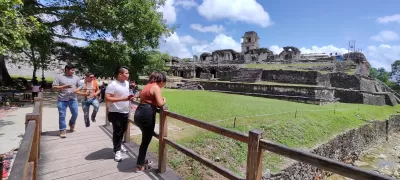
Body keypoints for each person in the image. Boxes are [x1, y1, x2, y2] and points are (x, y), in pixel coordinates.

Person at [134, 72, 167, 171]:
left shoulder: (147, 86)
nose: (163, 86)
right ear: (161, 81)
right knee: (145, 142)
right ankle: (139, 165)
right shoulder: (156, 87)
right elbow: (160, 103)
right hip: (146, 114)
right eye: (164, 83)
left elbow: (149, 100)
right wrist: (164, 100)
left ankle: (142, 160)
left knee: (146, 135)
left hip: (138, 113)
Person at [105, 66, 135, 162]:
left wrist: (130, 98)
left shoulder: (127, 83)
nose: (128, 75)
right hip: (115, 112)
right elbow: (107, 98)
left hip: (125, 111)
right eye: (126, 73)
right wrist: (123, 99)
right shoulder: (112, 85)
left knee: (123, 130)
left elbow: (124, 95)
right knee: (117, 132)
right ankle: (116, 150)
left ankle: (118, 144)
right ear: (120, 74)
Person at [52, 65, 88, 138]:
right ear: (66, 69)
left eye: (73, 70)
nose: (73, 72)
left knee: (75, 113)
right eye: (71, 70)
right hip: (62, 99)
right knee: (62, 115)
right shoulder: (58, 77)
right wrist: (63, 87)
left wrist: (76, 90)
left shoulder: (76, 77)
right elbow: (54, 87)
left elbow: (81, 86)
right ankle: (62, 130)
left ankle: (71, 123)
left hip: (73, 99)